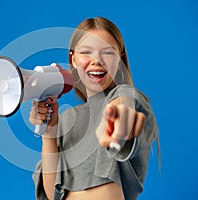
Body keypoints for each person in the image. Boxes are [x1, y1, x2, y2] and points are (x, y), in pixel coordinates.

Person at [29, 17, 158, 200]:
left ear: (119, 60)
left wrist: (117, 117)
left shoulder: (126, 96)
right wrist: (49, 133)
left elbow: (124, 101)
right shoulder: (67, 119)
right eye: (86, 52)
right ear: (73, 59)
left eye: (107, 52)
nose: (97, 60)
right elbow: (52, 195)